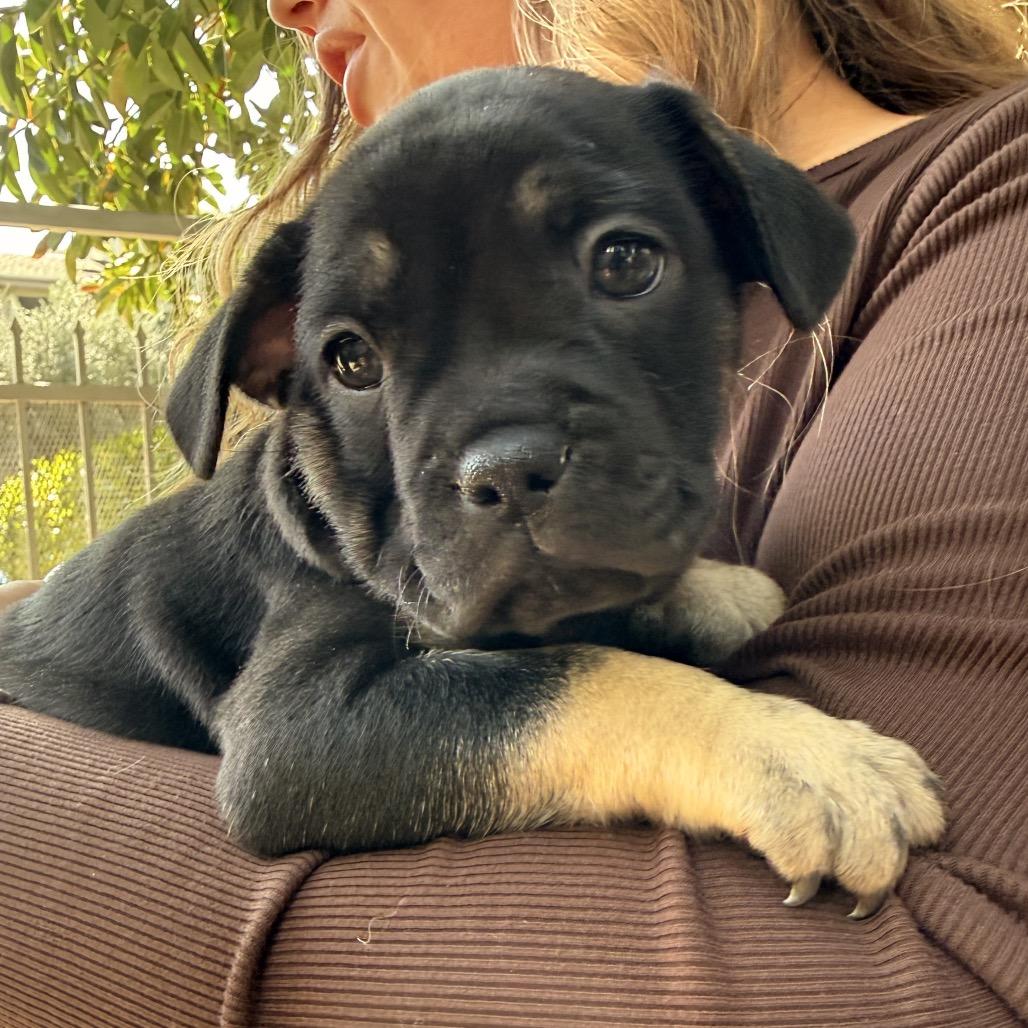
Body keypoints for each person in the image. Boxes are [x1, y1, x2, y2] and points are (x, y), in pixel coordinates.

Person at [1, 2, 1025, 1024]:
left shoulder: (978, 213)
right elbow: (288, 755)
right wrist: (682, 728)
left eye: (617, 264)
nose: (496, 461)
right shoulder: (302, 551)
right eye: (356, 357)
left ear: (742, 243)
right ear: (280, 366)